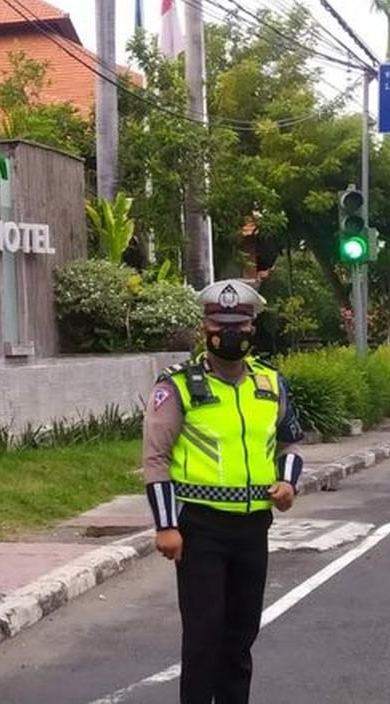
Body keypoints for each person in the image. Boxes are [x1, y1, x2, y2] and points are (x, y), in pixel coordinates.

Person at [142, 279, 305, 704]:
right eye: (221, 323)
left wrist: (287, 483)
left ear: (253, 326)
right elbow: (156, 460)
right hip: (200, 529)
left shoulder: (269, 383)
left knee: (240, 638)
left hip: (254, 527)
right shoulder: (177, 385)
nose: (231, 332)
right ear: (205, 327)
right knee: (203, 639)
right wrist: (166, 526)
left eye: (240, 323)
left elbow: (289, 443)